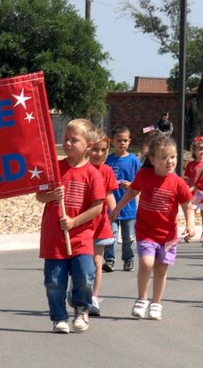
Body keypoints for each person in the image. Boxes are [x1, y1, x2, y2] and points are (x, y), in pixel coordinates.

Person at [110, 135, 195, 320]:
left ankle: (156, 303)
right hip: (146, 231)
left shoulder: (178, 182)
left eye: (173, 157)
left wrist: (191, 224)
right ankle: (142, 299)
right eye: (165, 158)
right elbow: (132, 191)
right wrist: (117, 208)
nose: (170, 161)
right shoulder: (144, 175)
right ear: (153, 160)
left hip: (169, 235)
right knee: (147, 263)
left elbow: (187, 205)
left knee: (161, 269)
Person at [36, 119, 105, 333]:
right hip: (54, 238)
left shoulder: (93, 174)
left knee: (84, 275)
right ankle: (59, 317)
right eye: (66, 139)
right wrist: (51, 196)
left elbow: (98, 207)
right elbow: (39, 196)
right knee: (54, 281)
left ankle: (82, 308)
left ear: (88, 146)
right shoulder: (55, 168)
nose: (67, 143)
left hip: (81, 237)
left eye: (74, 140)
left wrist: (75, 221)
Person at [86, 129, 119, 316]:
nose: (99, 154)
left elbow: (109, 195)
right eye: (95, 150)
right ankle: (79, 289)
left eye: (103, 150)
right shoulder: (82, 168)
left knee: (97, 262)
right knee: (82, 262)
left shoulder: (106, 171)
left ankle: (93, 297)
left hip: (100, 223)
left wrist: (115, 213)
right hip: (81, 224)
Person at [104, 126, 142, 272]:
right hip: (111, 206)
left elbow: (141, 182)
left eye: (125, 140)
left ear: (129, 141)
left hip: (129, 207)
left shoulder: (134, 160)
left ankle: (128, 259)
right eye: (119, 140)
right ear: (113, 141)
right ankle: (109, 260)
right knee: (111, 235)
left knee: (129, 237)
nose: (122, 143)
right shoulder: (108, 160)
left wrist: (131, 185)